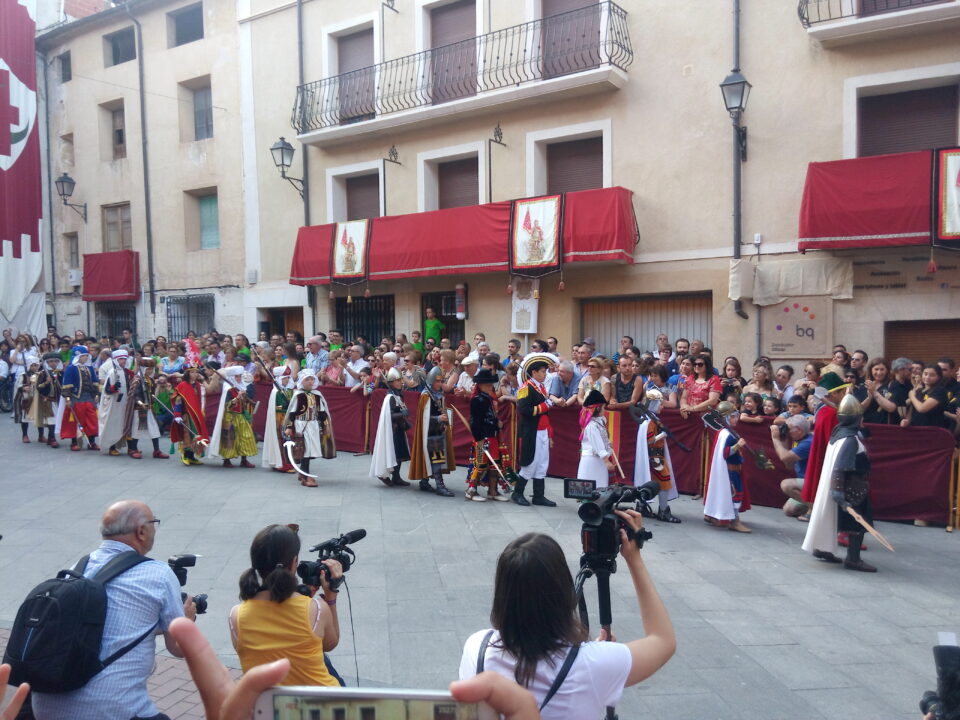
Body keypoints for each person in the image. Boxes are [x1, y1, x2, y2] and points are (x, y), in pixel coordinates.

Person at [459, 516, 675, 720]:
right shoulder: (594, 664)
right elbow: (663, 641)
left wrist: (591, 656)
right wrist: (634, 557)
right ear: (562, 590)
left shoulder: (477, 647)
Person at [31, 500, 196, 720]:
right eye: (154, 523)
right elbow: (177, 648)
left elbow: (101, 622)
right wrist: (188, 621)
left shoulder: (77, 569)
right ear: (141, 531)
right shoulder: (159, 574)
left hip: (44, 705)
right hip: (109, 712)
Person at [230, 525, 343, 687]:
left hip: (269, 707)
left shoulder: (236, 616)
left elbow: (269, 651)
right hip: (319, 705)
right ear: (294, 562)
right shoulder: (316, 609)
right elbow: (330, 644)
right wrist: (330, 597)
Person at [802, 395, 877, 572]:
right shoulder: (850, 440)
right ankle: (853, 559)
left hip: (847, 485)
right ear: (857, 418)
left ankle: (822, 548)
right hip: (853, 487)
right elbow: (840, 468)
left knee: (829, 516)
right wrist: (838, 494)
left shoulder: (838, 433)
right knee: (857, 524)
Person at [514, 353, 558, 507]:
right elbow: (524, 410)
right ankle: (517, 493)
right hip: (531, 431)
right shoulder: (526, 388)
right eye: (543, 371)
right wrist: (545, 406)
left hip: (542, 429)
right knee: (530, 462)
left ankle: (539, 496)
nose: (545, 374)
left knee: (542, 462)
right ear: (534, 372)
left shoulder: (540, 387)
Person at [703, 401, 752, 533]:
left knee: (733, 494)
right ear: (726, 418)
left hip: (732, 468)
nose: (736, 419)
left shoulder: (725, 432)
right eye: (733, 416)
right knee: (737, 494)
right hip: (731, 470)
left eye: (736, 416)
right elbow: (725, 453)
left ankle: (715, 515)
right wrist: (738, 445)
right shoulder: (727, 435)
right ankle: (734, 521)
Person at [633, 388, 681, 523]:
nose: (662, 406)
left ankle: (642, 506)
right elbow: (649, 441)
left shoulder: (651, 419)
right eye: (659, 403)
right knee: (664, 481)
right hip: (654, 457)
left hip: (656, 456)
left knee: (654, 482)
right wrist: (662, 434)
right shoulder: (649, 422)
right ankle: (663, 511)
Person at [408, 366, 456, 496]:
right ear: (431, 381)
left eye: (441, 381)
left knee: (433, 457)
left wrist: (445, 421)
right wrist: (438, 418)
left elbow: (443, 410)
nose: (440, 384)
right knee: (436, 458)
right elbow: (423, 418)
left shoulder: (439, 395)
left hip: (438, 430)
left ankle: (424, 482)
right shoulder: (425, 396)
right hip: (429, 431)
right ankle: (439, 486)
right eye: (437, 381)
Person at [466, 368, 512, 502]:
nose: (490, 387)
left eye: (491, 384)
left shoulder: (489, 399)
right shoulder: (477, 400)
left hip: (493, 436)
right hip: (483, 437)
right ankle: (471, 490)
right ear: (480, 385)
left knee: (495, 464)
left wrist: (497, 422)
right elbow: (474, 422)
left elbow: (490, 417)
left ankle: (493, 490)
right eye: (487, 385)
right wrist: (478, 439)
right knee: (480, 464)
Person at [284, 371, 336, 487]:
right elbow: (292, 413)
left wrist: (326, 425)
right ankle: (306, 476)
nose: (310, 382)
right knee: (304, 449)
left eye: (312, 379)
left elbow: (322, 412)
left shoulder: (317, 395)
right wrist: (289, 427)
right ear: (302, 381)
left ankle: (302, 472)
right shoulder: (298, 395)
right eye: (307, 380)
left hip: (313, 425)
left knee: (310, 449)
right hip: (300, 425)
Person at [370, 368, 413, 488]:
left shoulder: (398, 395)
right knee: (392, 453)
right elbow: (390, 415)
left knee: (399, 454)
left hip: (399, 428)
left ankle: (396, 477)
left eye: (400, 380)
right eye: (397, 381)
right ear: (391, 383)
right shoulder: (390, 398)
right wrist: (403, 413)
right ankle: (384, 474)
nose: (400, 383)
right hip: (392, 430)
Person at [208, 367, 257, 469]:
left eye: (240, 376)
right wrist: (237, 398)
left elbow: (246, 400)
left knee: (246, 436)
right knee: (229, 439)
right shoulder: (228, 389)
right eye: (237, 377)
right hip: (230, 416)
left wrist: (245, 398)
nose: (239, 379)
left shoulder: (241, 386)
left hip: (240, 415)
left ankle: (244, 459)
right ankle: (227, 460)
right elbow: (227, 405)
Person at [771, 416, 814, 519]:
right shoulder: (799, 440)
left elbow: (784, 457)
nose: (788, 432)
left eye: (789, 429)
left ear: (799, 429)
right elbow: (789, 465)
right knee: (789, 510)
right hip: (805, 481)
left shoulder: (808, 442)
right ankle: (811, 505)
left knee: (786, 485)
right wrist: (784, 442)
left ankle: (815, 509)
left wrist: (775, 439)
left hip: (813, 482)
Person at [59, 345, 100, 451]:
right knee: (76, 421)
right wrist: (67, 398)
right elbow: (67, 384)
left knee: (91, 421)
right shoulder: (71, 369)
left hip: (89, 399)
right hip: (76, 398)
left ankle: (92, 442)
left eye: (86, 356)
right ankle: (74, 442)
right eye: (83, 356)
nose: (86, 358)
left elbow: (95, 382)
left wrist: (96, 394)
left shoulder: (90, 368)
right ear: (78, 357)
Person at [128, 358, 169, 458]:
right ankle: (133, 449)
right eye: (148, 369)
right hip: (139, 409)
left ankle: (157, 451)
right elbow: (134, 395)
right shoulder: (137, 380)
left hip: (149, 408)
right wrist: (141, 403)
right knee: (137, 429)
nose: (150, 371)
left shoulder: (150, 380)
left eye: (151, 369)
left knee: (154, 428)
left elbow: (152, 393)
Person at [98, 348, 136, 457]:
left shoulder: (127, 372)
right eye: (120, 359)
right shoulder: (111, 373)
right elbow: (107, 391)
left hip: (125, 403)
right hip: (114, 404)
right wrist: (114, 387)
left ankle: (131, 448)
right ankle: (112, 447)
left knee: (127, 424)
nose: (123, 361)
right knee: (113, 425)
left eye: (124, 359)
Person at [170, 366, 210, 466]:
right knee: (187, 435)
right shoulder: (182, 385)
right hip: (186, 415)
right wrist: (177, 414)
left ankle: (192, 456)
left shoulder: (199, 385)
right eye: (192, 372)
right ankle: (185, 455)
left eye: (196, 372)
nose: (194, 374)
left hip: (197, 415)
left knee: (196, 435)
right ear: (187, 374)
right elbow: (178, 400)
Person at [576, 389, 615, 488]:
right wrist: (606, 461)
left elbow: (601, 439)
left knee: (599, 486)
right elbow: (597, 444)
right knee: (593, 486)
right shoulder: (591, 426)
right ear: (597, 408)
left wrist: (607, 443)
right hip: (592, 460)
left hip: (598, 459)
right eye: (603, 407)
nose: (604, 410)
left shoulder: (599, 421)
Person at [32, 352, 62, 447]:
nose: (53, 363)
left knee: (57, 419)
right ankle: (52, 438)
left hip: (58, 399)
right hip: (47, 400)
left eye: (55, 361)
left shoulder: (61, 373)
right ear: (47, 363)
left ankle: (50, 438)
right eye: (51, 362)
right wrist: (46, 382)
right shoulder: (43, 374)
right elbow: (38, 387)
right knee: (51, 420)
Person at [13, 354, 39, 442]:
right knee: (25, 418)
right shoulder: (23, 375)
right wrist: (23, 387)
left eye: (36, 365)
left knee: (39, 417)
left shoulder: (40, 374)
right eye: (32, 365)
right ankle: (25, 435)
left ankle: (41, 435)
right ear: (28, 366)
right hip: (26, 399)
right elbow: (18, 385)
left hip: (38, 399)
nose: (34, 367)